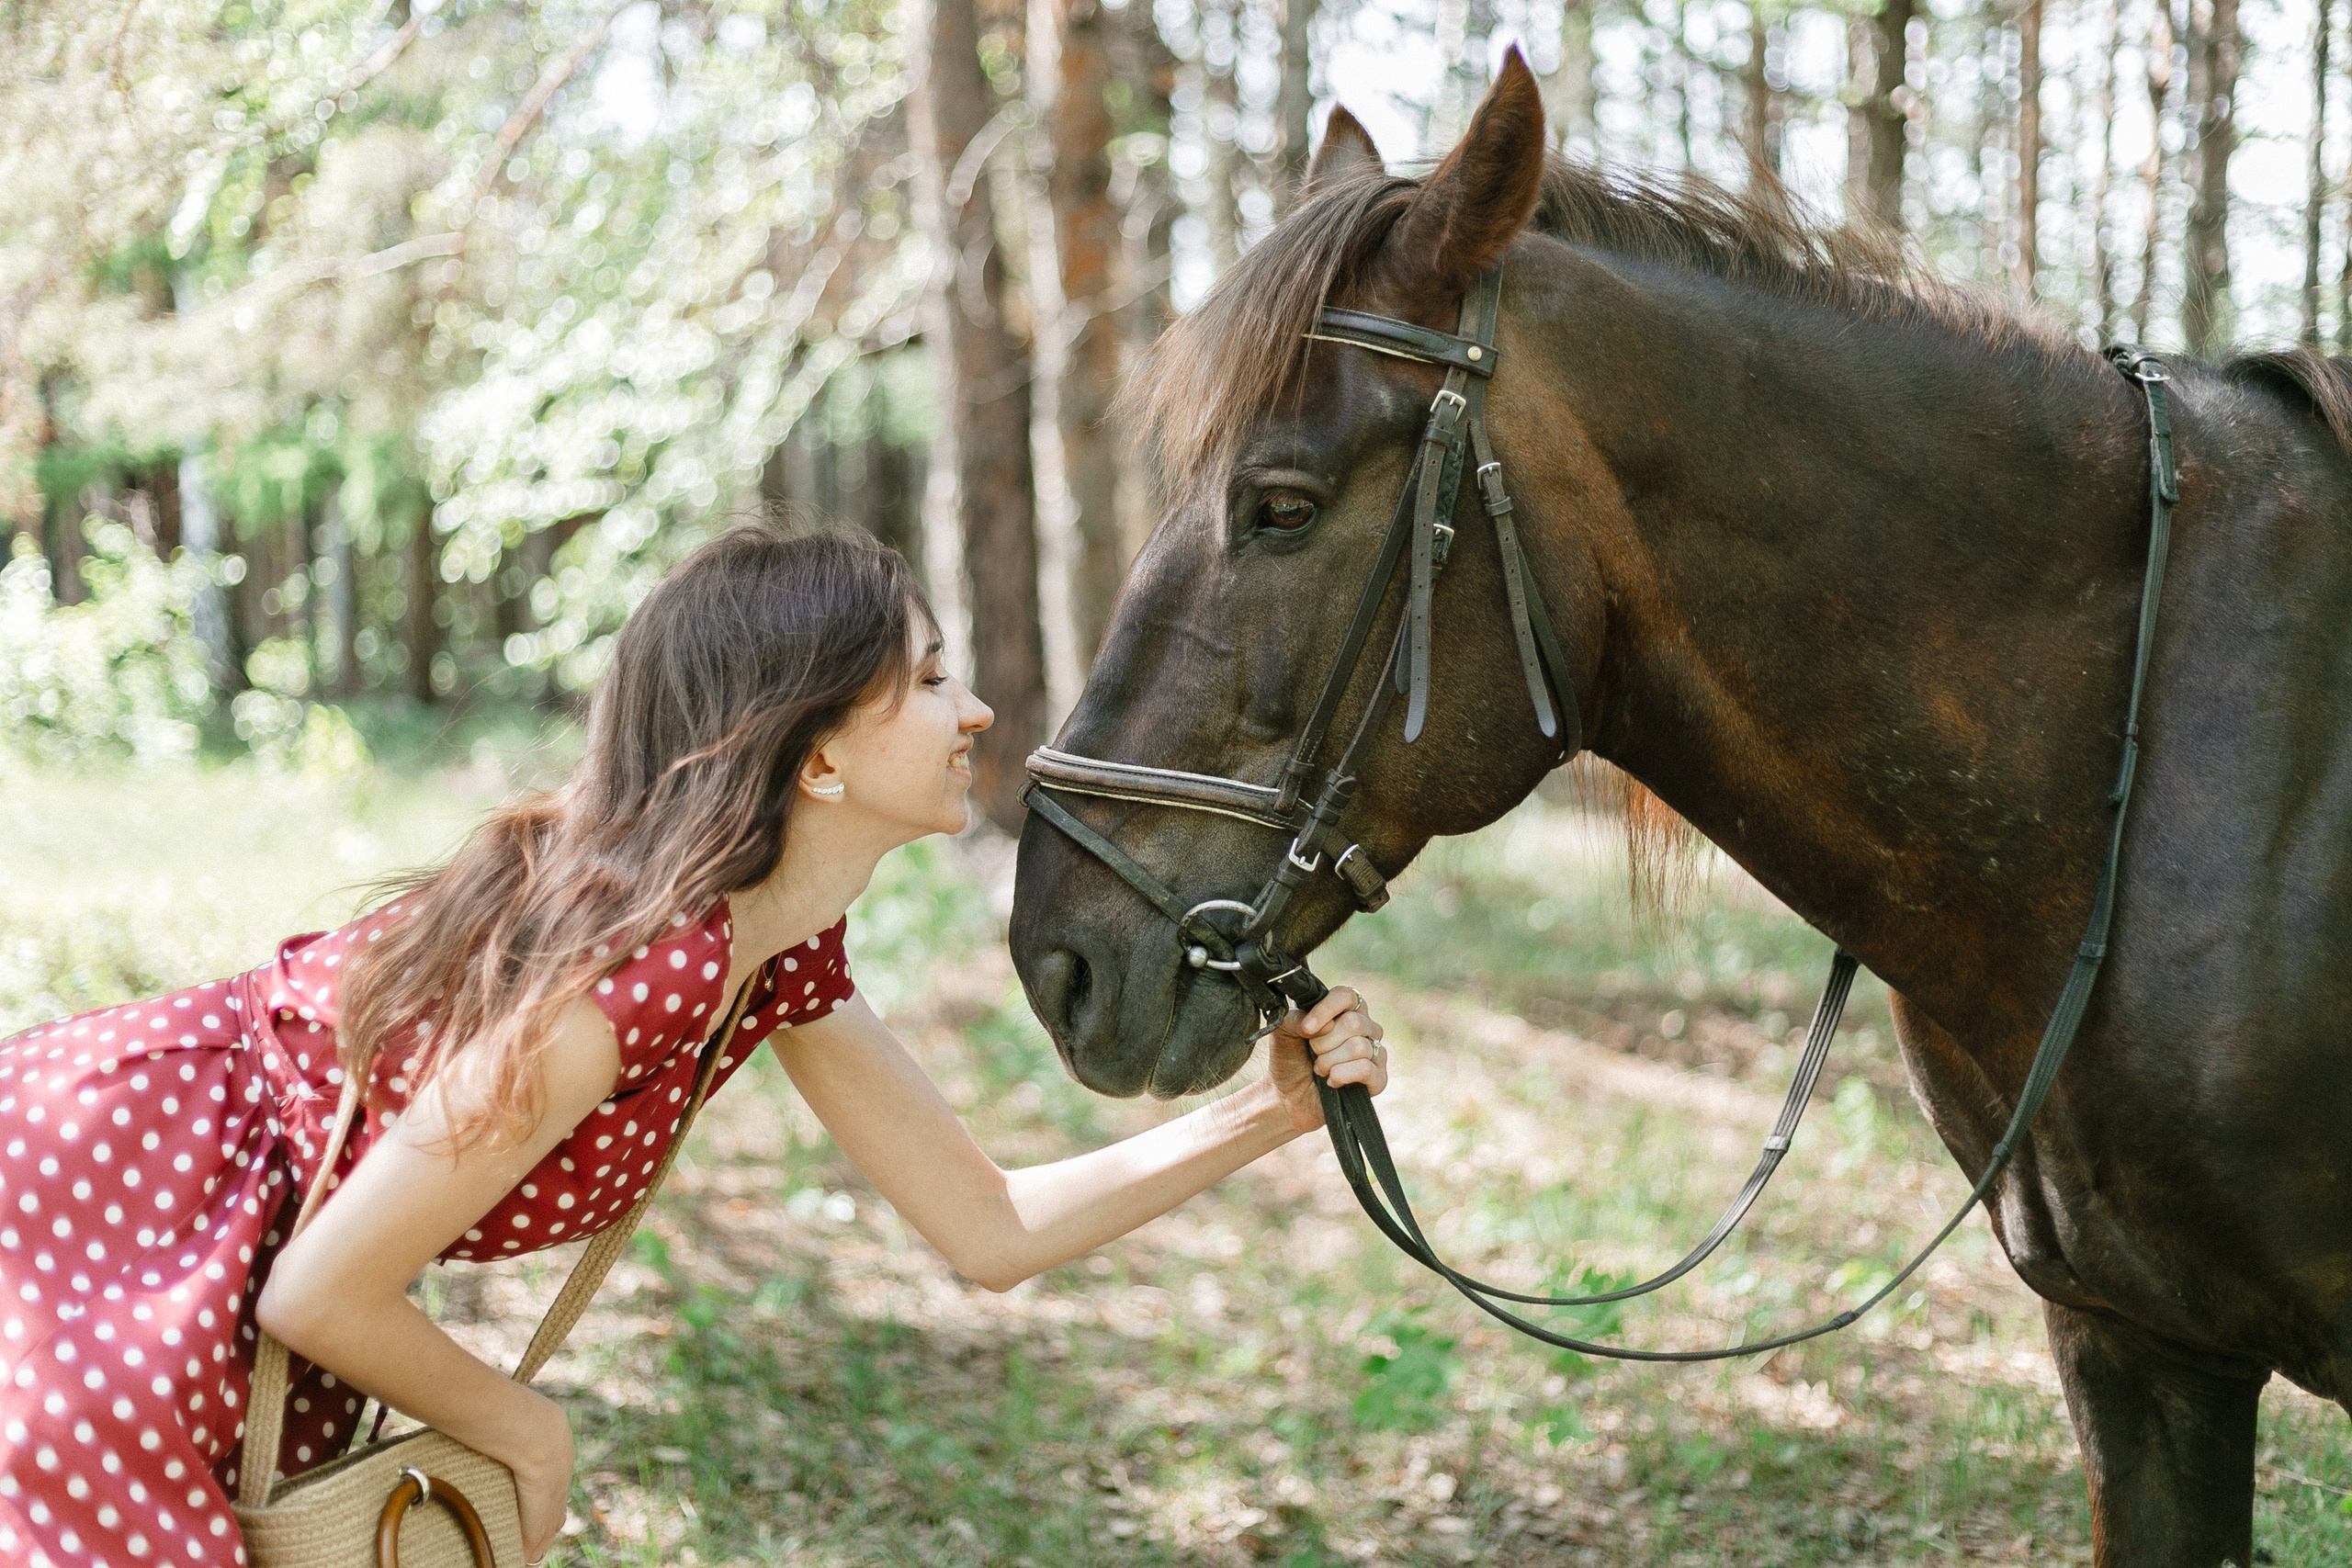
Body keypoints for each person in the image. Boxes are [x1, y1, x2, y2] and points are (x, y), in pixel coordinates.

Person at [0, 524, 1390, 1568]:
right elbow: (319, 1295)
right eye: (927, 679)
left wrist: (1263, 1114)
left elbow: (989, 1229)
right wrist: (528, 1432)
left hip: (200, 1231)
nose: (973, 713)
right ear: (819, 761)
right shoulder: (619, 986)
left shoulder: (767, 955)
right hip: (109, 1206)